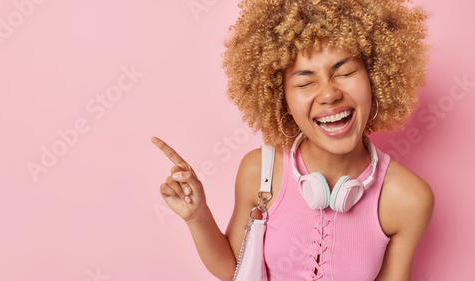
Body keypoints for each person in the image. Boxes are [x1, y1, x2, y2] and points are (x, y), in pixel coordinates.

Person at [151, 0, 434, 280]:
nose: (328, 95)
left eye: (345, 72)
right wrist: (196, 215)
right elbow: (233, 270)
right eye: (305, 82)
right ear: (281, 98)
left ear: (375, 77)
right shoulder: (260, 171)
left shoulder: (408, 198)